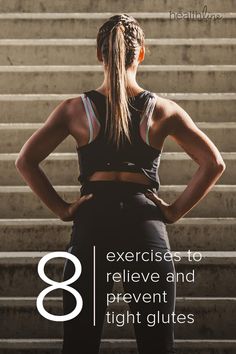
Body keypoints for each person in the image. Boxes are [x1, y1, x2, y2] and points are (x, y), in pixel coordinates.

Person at [15, 13, 225, 354]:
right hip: (144, 224)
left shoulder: (74, 110)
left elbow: (25, 161)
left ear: (100, 54)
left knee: (80, 342)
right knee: (156, 345)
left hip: (93, 222)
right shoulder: (165, 111)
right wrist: (172, 212)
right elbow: (213, 163)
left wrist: (64, 209)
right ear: (141, 54)